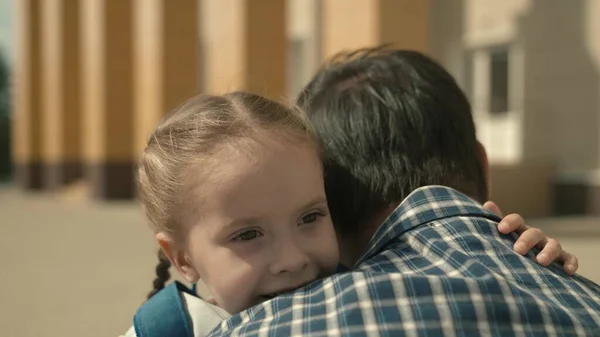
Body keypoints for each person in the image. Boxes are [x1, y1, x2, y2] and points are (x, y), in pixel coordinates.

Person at [205, 49, 600, 336]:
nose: (289, 260)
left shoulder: (259, 328)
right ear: (483, 165)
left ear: (326, 195)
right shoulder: (583, 300)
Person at [123, 89, 578, 337]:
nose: (293, 258)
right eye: (248, 236)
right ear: (181, 257)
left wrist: (511, 250)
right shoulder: (165, 331)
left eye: (309, 218)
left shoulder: (363, 285)